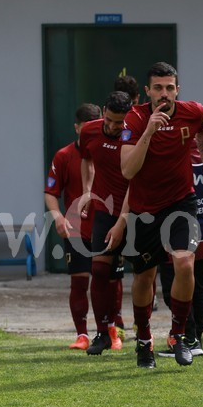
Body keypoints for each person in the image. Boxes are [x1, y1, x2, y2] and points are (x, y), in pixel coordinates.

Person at [121, 61, 203, 368]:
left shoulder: (194, 112)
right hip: (144, 207)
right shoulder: (135, 119)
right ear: (148, 91)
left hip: (181, 201)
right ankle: (144, 338)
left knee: (185, 263)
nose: (164, 94)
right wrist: (149, 130)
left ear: (178, 89)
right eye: (158, 88)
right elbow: (127, 170)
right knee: (144, 277)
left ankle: (179, 335)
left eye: (169, 88)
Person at [157, 144, 203, 358]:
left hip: (180, 231)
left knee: (173, 288)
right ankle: (196, 337)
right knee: (199, 287)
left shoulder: (172, 155)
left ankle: (189, 337)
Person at [78, 91, 133, 356]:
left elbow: (138, 178)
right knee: (99, 270)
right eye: (109, 120)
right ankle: (101, 333)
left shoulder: (136, 134)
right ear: (102, 112)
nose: (112, 127)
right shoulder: (89, 131)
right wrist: (88, 190)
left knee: (145, 272)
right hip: (104, 209)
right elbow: (86, 158)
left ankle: (146, 334)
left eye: (119, 123)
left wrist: (123, 219)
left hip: (136, 210)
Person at [44, 102, 100, 350]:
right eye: (85, 130)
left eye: (94, 129)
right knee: (79, 282)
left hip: (106, 227)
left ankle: (111, 330)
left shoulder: (109, 151)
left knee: (107, 280)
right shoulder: (64, 156)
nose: (89, 135)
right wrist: (57, 216)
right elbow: (51, 192)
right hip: (76, 229)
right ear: (77, 128)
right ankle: (82, 334)